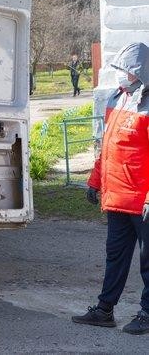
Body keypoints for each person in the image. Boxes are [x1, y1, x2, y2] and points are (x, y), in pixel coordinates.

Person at [73, 42, 149, 335]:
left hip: (142, 201)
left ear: (140, 72)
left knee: (147, 261)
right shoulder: (117, 99)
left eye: (126, 70)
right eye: (119, 69)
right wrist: (95, 181)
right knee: (115, 257)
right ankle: (105, 310)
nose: (121, 74)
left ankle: (147, 313)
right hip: (118, 198)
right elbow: (107, 149)